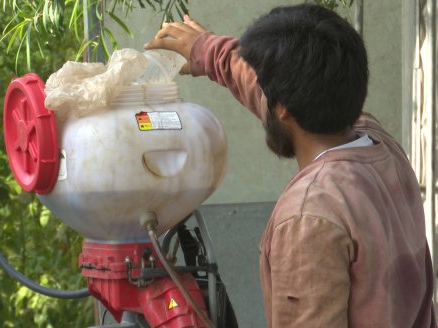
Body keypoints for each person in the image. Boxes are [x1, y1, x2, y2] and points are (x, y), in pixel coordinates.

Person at [145, 4, 436, 327]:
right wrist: (208, 51)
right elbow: (270, 91)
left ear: (282, 107)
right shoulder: (380, 146)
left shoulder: (310, 215)